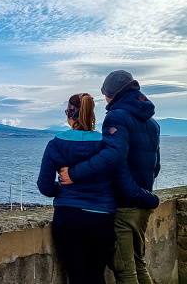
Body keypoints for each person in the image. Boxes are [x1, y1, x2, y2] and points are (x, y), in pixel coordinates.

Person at [37, 92, 158, 284]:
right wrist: (151, 199)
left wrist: (61, 189)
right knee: (96, 276)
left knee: (77, 278)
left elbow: (45, 187)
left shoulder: (55, 145)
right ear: (92, 114)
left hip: (67, 218)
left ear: (67, 113)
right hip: (101, 219)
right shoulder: (106, 145)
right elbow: (124, 183)